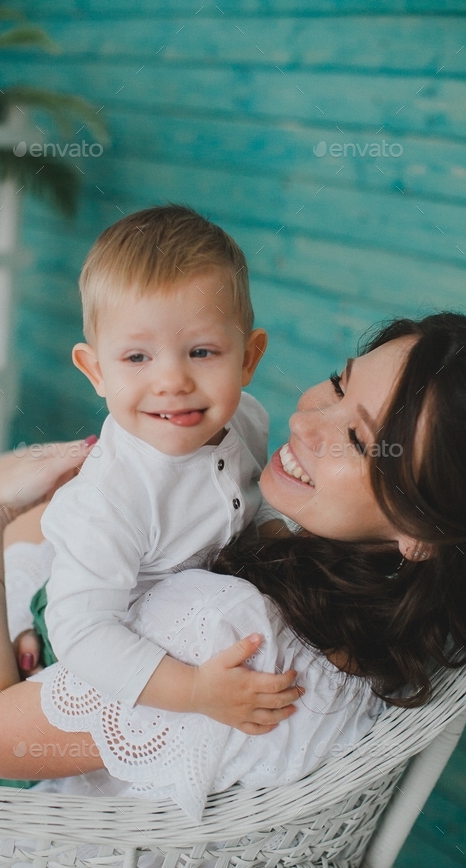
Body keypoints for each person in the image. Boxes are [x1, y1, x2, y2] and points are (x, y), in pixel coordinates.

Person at [0, 312, 466, 820]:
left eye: (361, 441)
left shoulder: (229, 631)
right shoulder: (380, 612)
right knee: (70, 495)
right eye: (339, 384)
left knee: (25, 502)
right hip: (43, 655)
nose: (307, 422)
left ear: (423, 532)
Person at [40, 204, 290, 712]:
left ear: (248, 358)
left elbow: (255, 498)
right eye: (137, 358)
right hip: (85, 621)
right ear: (96, 371)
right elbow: (82, 632)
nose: (172, 381)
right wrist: (194, 693)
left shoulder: (249, 420)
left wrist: (279, 542)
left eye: (202, 352)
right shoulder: (112, 498)